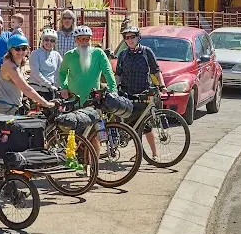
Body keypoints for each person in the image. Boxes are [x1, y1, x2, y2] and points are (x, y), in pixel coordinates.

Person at [116, 26, 166, 159]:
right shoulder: (123, 54)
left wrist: (162, 86)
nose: (130, 40)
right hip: (127, 94)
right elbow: (119, 74)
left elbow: (156, 70)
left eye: (132, 37)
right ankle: (138, 153)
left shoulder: (146, 52)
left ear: (138, 37)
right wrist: (115, 89)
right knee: (131, 126)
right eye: (127, 38)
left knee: (147, 126)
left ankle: (154, 154)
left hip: (144, 93)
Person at [0, 34, 56, 115]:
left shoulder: (20, 64)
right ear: (11, 50)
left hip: (14, 106)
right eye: (17, 49)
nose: (21, 52)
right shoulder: (10, 66)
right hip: (5, 108)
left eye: (24, 48)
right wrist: (46, 103)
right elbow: (26, 89)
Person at [58, 25, 117, 105]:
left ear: (91, 39)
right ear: (75, 40)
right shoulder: (69, 55)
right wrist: (64, 88)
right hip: (73, 100)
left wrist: (113, 91)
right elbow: (62, 72)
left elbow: (108, 72)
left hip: (93, 100)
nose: (84, 42)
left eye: (87, 39)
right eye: (80, 39)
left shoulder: (98, 53)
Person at [28, 29, 63, 100]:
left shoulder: (56, 55)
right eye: (46, 40)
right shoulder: (35, 53)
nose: (49, 42)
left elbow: (61, 71)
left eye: (52, 41)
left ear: (55, 43)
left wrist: (59, 85)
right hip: (38, 90)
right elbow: (36, 73)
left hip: (53, 90)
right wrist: (49, 85)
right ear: (42, 41)